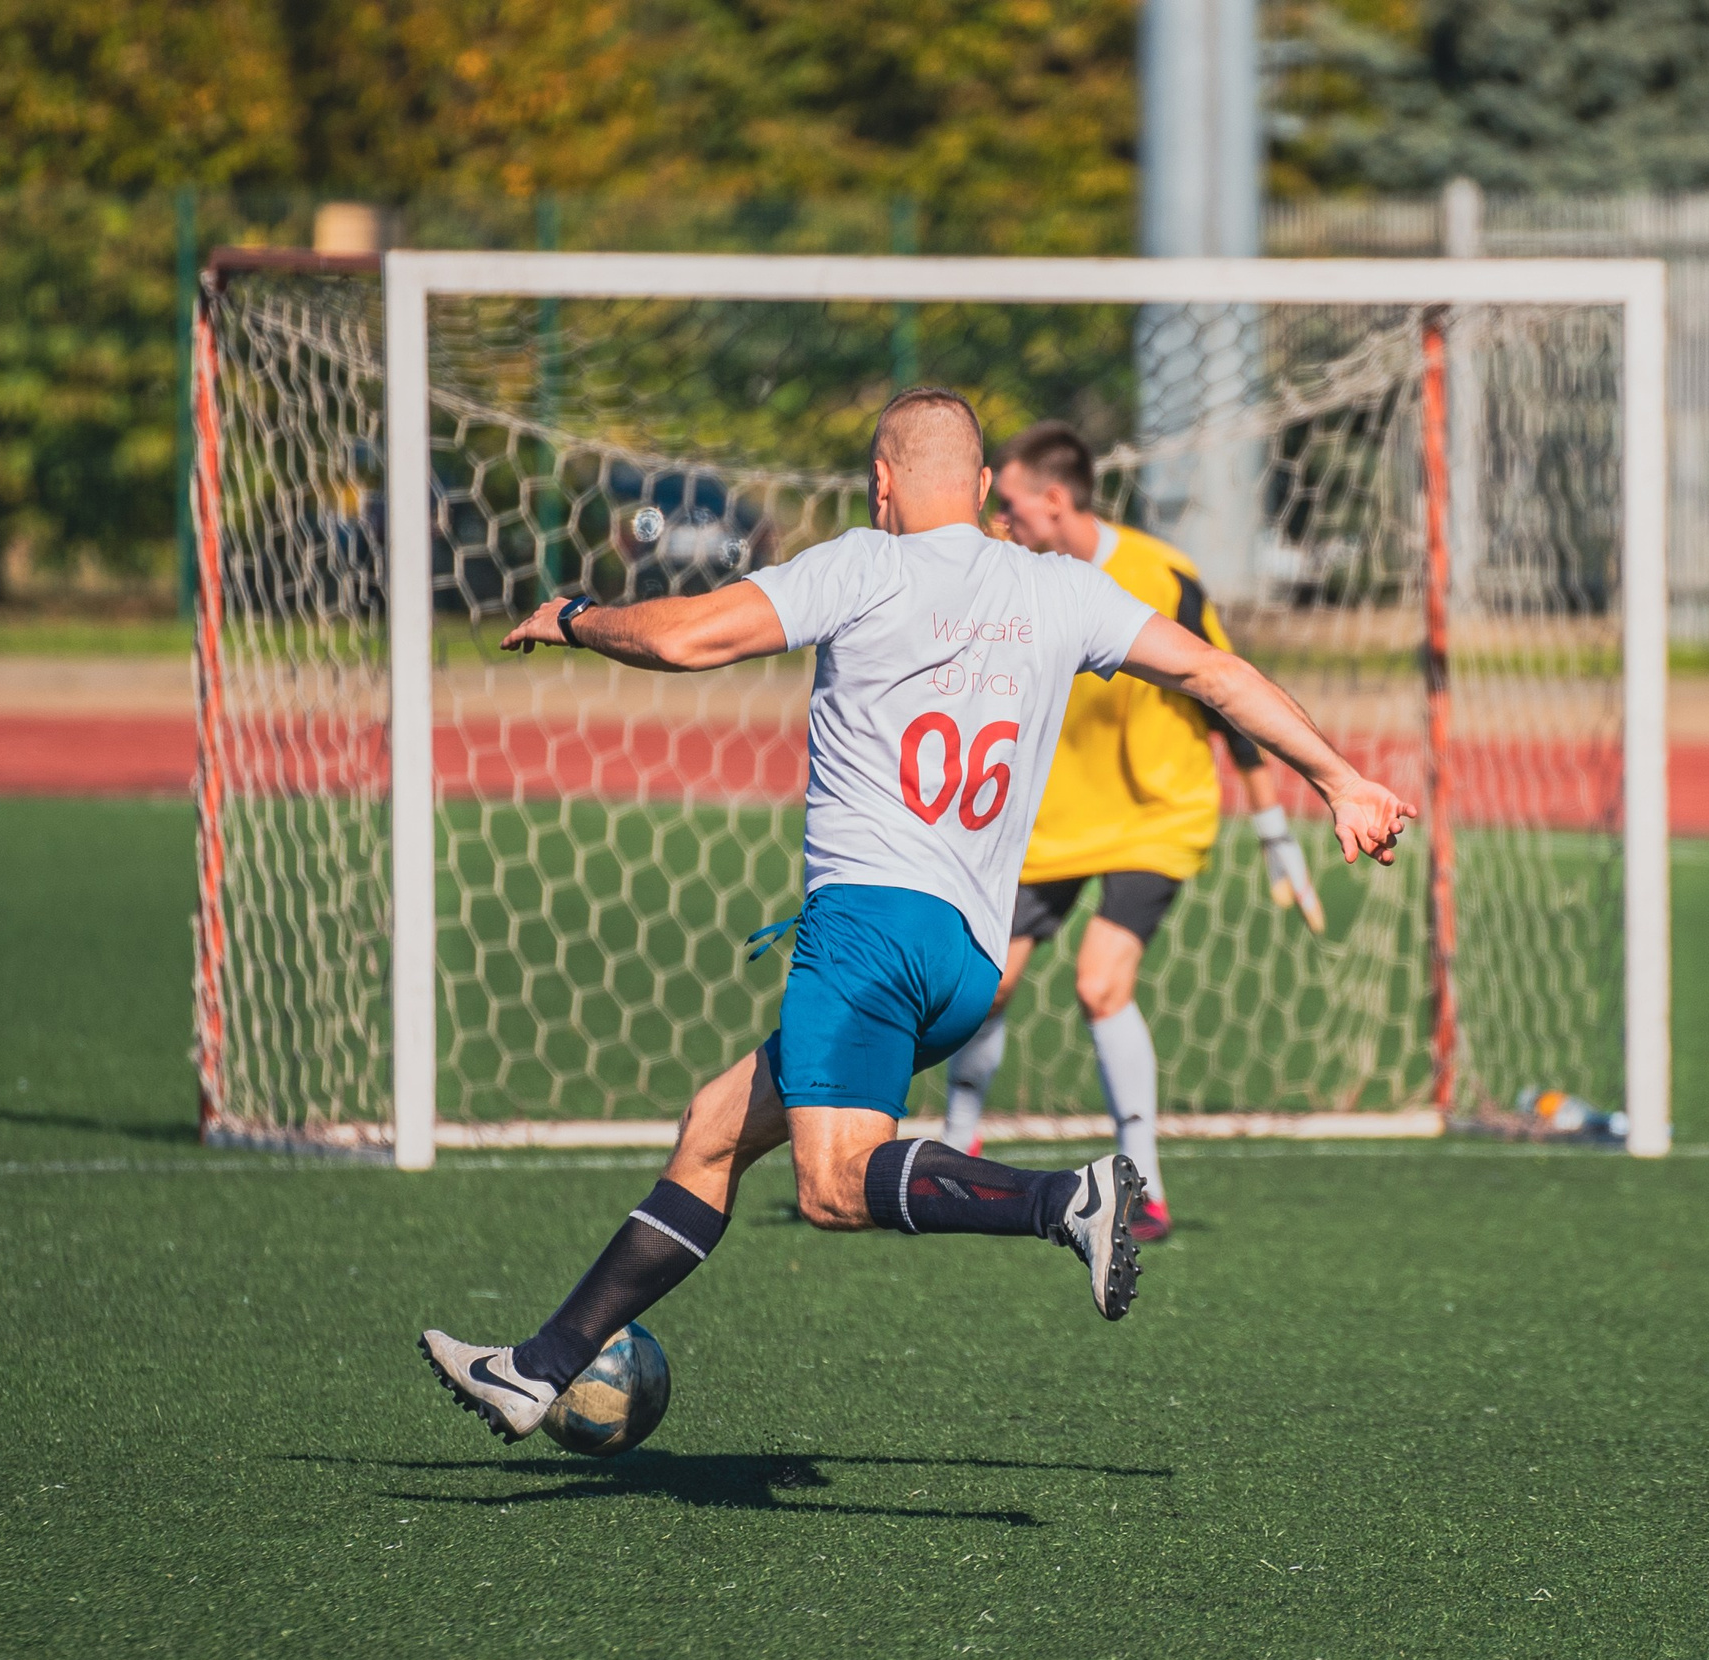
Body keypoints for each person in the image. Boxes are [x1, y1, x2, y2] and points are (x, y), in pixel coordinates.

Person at [420, 387, 1414, 1446]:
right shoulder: (1063, 589)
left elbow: (689, 640)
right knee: (716, 1128)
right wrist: (1341, 780)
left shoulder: (861, 564)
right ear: (985, 487)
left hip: (867, 933)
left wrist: (575, 617)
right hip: (970, 962)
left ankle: (1065, 1201)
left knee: (834, 1187)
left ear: (879, 485)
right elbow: (1214, 671)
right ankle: (538, 1368)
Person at [943, 422, 1320, 1243]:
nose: (999, 521)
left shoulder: (1161, 574)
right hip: (1053, 822)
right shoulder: (1011, 578)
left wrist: (1275, 837)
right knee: (984, 984)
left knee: (1100, 982)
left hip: (1158, 815)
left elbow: (1228, 701)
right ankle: (952, 1148)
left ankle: (1142, 1184)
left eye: (1009, 505)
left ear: (1055, 499)